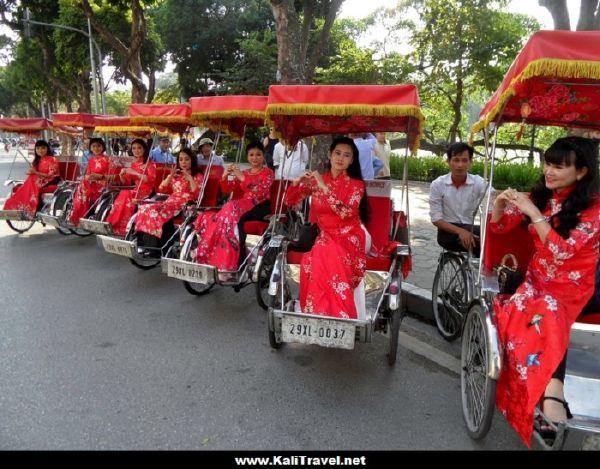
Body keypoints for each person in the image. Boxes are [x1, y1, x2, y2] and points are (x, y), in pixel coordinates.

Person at [490, 136, 600, 446]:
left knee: (549, 310)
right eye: (547, 164)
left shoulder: (594, 211)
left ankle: (552, 391)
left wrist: (533, 214)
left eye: (558, 166)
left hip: (575, 286)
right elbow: (499, 229)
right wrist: (500, 204)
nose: (549, 171)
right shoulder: (541, 197)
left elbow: (562, 252)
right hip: (537, 280)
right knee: (532, 307)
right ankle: (546, 391)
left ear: (581, 172)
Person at [285, 136, 369, 319]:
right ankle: (319, 311)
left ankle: (338, 314)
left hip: (350, 235)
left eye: (347, 155)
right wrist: (297, 182)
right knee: (313, 258)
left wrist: (324, 188)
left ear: (352, 160)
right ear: (330, 154)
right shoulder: (317, 180)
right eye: (337, 153)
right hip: (326, 236)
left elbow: (346, 213)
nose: (341, 158)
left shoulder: (356, 185)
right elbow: (289, 201)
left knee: (324, 252)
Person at [193, 140, 274, 271]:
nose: (254, 158)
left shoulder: (268, 173)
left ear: (263, 156)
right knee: (220, 216)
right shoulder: (246, 172)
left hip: (260, 206)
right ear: (247, 157)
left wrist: (242, 177)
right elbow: (226, 189)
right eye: (251, 155)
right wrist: (225, 175)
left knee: (231, 207)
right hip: (243, 207)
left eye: (258, 154)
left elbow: (260, 191)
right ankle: (232, 258)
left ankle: (211, 250)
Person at [134, 148, 203, 256]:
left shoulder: (197, 176)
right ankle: (143, 244)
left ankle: (154, 248)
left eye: (187, 159)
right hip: (170, 201)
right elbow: (161, 188)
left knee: (154, 212)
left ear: (192, 161)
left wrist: (190, 178)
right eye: (181, 160)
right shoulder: (177, 175)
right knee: (144, 208)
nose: (183, 162)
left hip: (185, 204)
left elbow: (196, 194)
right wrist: (170, 177)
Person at [429, 142, 486, 257]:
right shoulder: (438, 184)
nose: (460, 165)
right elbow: (436, 219)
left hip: (470, 230)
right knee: (480, 238)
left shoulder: (478, 182)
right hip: (447, 233)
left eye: (464, 160)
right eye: (456, 160)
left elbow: (493, 196)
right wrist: (460, 231)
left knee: (490, 237)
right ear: (448, 162)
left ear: (471, 162)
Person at [105, 139, 157, 236]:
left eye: (139, 148)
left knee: (127, 193)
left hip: (147, 191)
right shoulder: (134, 164)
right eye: (134, 148)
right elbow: (127, 182)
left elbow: (150, 179)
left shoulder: (150, 164)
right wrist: (122, 176)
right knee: (124, 192)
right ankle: (115, 223)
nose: (136, 150)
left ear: (144, 149)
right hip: (136, 189)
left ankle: (123, 226)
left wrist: (135, 173)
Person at [3, 139, 59, 215]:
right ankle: (17, 205)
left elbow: (51, 175)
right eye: (38, 148)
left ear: (47, 148)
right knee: (30, 179)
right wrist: (31, 172)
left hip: (51, 180)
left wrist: (35, 172)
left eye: (43, 148)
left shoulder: (52, 159)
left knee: (32, 179)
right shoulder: (37, 160)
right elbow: (34, 172)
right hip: (39, 179)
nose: (40, 150)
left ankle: (31, 207)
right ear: (35, 150)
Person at [70, 138, 115, 226]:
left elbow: (113, 177)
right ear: (90, 148)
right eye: (93, 146)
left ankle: (81, 213)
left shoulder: (108, 160)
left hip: (104, 185)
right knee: (82, 184)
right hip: (91, 184)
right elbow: (86, 175)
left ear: (103, 147)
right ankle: (80, 212)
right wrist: (90, 177)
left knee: (83, 185)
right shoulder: (91, 160)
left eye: (98, 146)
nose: (96, 148)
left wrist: (100, 176)